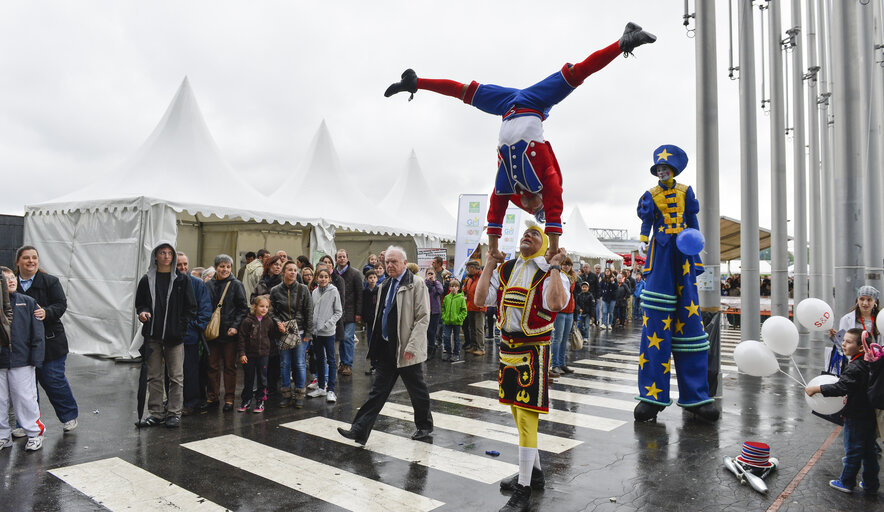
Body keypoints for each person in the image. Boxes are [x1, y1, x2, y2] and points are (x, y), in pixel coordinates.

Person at [384, 23, 656, 265]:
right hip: (535, 102)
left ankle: (415, 82)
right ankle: (624, 42)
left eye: (529, 206)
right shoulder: (543, 174)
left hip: (507, 106)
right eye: (535, 204)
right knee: (576, 74)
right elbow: (555, 203)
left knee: (464, 92)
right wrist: (554, 247)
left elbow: (495, 209)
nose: (529, 203)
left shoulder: (509, 182)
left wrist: (492, 249)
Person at [473, 225, 569, 512]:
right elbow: (480, 300)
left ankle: (524, 489)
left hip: (534, 350)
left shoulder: (553, 271)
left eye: (535, 233)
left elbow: (555, 304)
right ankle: (534, 473)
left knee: (527, 419)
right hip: (507, 349)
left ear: (544, 244)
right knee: (516, 412)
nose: (527, 235)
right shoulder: (507, 269)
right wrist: (490, 263)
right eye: (525, 232)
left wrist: (554, 268)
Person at [634, 144, 718, 422]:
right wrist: (644, 240)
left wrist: (695, 250)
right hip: (661, 254)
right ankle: (651, 396)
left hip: (683, 254)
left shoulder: (685, 192)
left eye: (665, 168)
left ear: (673, 170)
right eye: (658, 169)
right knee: (656, 321)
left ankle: (696, 396)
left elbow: (692, 220)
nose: (661, 173)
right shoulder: (651, 195)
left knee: (691, 324)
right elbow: (647, 223)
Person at [337, 246, 433, 444]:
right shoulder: (385, 285)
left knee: (418, 391)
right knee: (377, 392)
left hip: (407, 349)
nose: (389, 265)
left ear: (405, 263)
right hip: (388, 349)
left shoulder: (416, 284)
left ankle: (424, 426)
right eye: (387, 262)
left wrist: (412, 347)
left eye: (394, 262)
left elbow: (423, 318)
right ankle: (359, 430)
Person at [805, 328, 880, 493]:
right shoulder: (870, 362)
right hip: (868, 414)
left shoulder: (856, 367)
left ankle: (846, 482)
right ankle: (870, 483)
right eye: (843, 340)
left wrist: (816, 388)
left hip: (856, 415)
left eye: (848, 341)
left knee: (853, 449)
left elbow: (841, 387)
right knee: (868, 450)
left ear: (861, 348)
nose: (843, 344)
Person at [14, 246, 79, 433]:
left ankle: (69, 416)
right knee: (24, 388)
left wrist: (46, 312)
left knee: (53, 380)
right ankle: (26, 424)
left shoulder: (50, 281)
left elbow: (61, 304)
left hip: (50, 342)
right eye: (26, 258)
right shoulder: (10, 283)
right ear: (18, 262)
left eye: (34, 257)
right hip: (21, 345)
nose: (31, 261)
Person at [134, 243, 197, 427]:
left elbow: (191, 307)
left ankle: (174, 413)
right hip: (153, 335)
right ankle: (156, 413)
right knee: (154, 376)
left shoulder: (181, 280)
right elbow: (140, 304)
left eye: (170, 253)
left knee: (176, 376)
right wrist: (143, 312)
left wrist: (180, 326)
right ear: (155, 256)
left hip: (175, 337)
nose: (166, 256)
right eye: (162, 253)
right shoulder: (147, 279)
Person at [0, 267, 45, 451]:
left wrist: (36, 358)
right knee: (0, 400)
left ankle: (34, 433)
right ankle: (3, 435)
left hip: (22, 360)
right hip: (1, 362)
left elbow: (37, 334)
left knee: (25, 397)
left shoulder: (27, 302)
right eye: (5, 278)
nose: (11, 281)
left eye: (13, 277)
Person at [205, 254, 249, 412]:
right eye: (222, 266)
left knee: (230, 367)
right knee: (212, 367)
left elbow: (243, 308)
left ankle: (229, 399)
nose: (225, 269)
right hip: (212, 333)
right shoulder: (209, 284)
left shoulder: (236, 284)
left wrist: (235, 326)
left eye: (228, 266)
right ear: (215, 267)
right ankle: (212, 397)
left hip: (230, 333)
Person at [270, 260, 313, 408]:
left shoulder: (303, 289)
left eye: (295, 270)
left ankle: (300, 394)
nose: (293, 272)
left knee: (300, 364)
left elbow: (309, 312)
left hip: (300, 331)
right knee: (285, 364)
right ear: (283, 272)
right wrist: (278, 322)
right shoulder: (275, 290)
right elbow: (271, 311)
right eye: (290, 270)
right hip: (283, 332)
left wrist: (308, 333)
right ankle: (286, 394)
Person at [176, 253, 212, 416]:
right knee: (172, 371)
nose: (183, 267)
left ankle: (191, 402)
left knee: (190, 371)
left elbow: (205, 310)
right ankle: (174, 399)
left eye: (185, 264)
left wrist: (194, 327)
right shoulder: (169, 282)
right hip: (172, 336)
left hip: (190, 336)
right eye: (179, 265)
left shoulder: (197, 284)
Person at [309, 268, 342, 403]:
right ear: (316, 278)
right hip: (316, 333)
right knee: (319, 359)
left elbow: (338, 312)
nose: (323, 279)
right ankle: (321, 387)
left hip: (328, 332)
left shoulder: (334, 291)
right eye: (320, 276)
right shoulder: (315, 292)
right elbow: (312, 310)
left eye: (325, 277)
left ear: (329, 278)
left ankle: (331, 390)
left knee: (331, 360)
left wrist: (328, 324)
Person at [237, 296, 274, 413]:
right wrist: (242, 353)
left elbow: (272, 336)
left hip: (264, 354)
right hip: (249, 354)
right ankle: (246, 400)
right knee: (249, 378)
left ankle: (260, 400)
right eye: (261, 306)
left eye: (267, 307)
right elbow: (241, 338)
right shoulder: (247, 321)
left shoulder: (269, 321)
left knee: (262, 378)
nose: (264, 309)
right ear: (255, 306)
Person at [335, 249, 363, 377]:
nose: (341, 259)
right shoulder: (333, 274)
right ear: (336, 259)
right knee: (340, 338)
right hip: (336, 313)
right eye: (339, 257)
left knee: (348, 338)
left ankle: (347, 364)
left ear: (347, 258)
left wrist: (358, 312)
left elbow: (360, 294)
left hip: (351, 311)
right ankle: (342, 363)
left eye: (343, 257)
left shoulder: (355, 273)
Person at [550, 258, 577, 377]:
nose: (566, 267)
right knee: (558, 338)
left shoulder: (572, 277)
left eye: (569, 265)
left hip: (570, 310)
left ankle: (562, 363)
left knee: (564, 339)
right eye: (564, 264)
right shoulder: (559, 275)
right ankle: (555, 364)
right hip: (560, 310)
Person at [462, 260, 486, 356]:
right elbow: (465, 290)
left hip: (479, 307)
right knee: (472, 328)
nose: (467, 270)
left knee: (479, 328)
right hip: (470, 306)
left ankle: (481, 348)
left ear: (473, 268)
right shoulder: (470, 278)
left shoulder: (482, 277)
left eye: (468, 268)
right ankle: (474, 346)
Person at [441, 279, 467, 362]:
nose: (453, 288)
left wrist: (459, 318)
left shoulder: (461, 298)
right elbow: (443, 308)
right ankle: (448, 352)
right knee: (446, 337)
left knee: (456, 338)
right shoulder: (446, 297)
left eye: (455, 286)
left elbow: (464, 310)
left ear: (458, 288)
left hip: (456, 322)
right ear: (449, 287)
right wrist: (444, 316)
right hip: (447, 321)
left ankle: (456, 353)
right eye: (452, 286)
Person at [362, 270, 381, 375]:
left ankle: (379, 364)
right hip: (369, 320)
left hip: (378, 320)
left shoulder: (380, 290)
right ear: (366, 279)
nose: (372, 279)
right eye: (370, 278)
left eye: (374, 277)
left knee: (379, 341)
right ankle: (374, 364)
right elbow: (364, 306)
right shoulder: (365, 292)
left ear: (377, 279)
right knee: (371, 342)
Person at [425, 269, 444, 358]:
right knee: (428, 331)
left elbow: (440, 291)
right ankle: (429, 347)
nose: (430, 275)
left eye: (432, 274)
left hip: (435, 311)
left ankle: (431, 349)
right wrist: (428, 282)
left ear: (435, 275)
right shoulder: (424, 283)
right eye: (429, 273)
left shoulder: (437, 283)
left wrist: (434, 282)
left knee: (432, 331)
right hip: (426, 311)